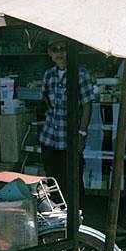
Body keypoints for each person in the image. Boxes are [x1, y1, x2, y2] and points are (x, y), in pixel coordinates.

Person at [39, 36, 95, 198]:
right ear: (50, 53)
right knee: (53, 179)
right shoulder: (49, 75)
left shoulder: (81, 74)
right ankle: (57, 215)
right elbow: (45, 99)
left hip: (70, 137)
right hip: (49, 137)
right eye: (55, 50)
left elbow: (87, 106)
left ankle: (76, 216)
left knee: (73, 179)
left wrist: (82, 134)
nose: (59, 53)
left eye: (63, 49)